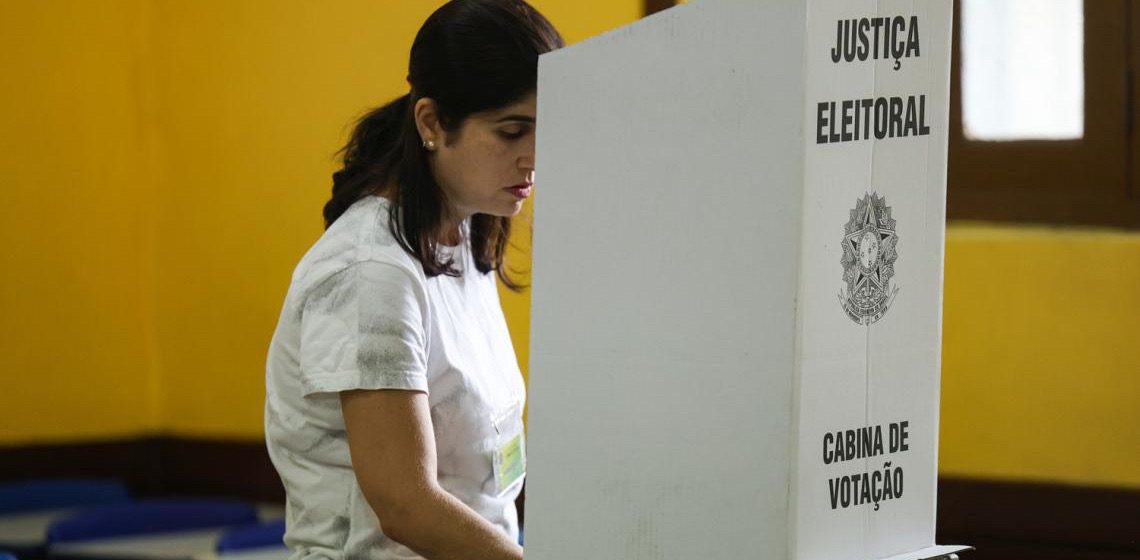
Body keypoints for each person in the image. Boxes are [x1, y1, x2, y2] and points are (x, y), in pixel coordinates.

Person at [264, 2, 563, 558]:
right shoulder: (370, 270)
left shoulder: (466, 237)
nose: (535, 157)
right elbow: (406, 504)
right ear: (431, 123)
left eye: (549, 129)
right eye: (513, 130)